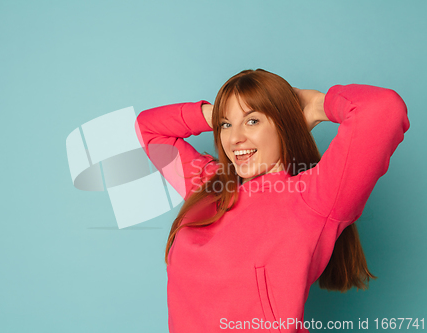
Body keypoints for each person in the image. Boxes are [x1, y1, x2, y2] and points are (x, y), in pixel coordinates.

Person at [134, 69, 410, 333]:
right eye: (227, 126)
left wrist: (316, 105)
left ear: (284, 124)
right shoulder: (209, 185)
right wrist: (216, 112)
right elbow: (148, 129)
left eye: (252, 121)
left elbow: (384, 108)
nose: (235, 139)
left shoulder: (315, 195)